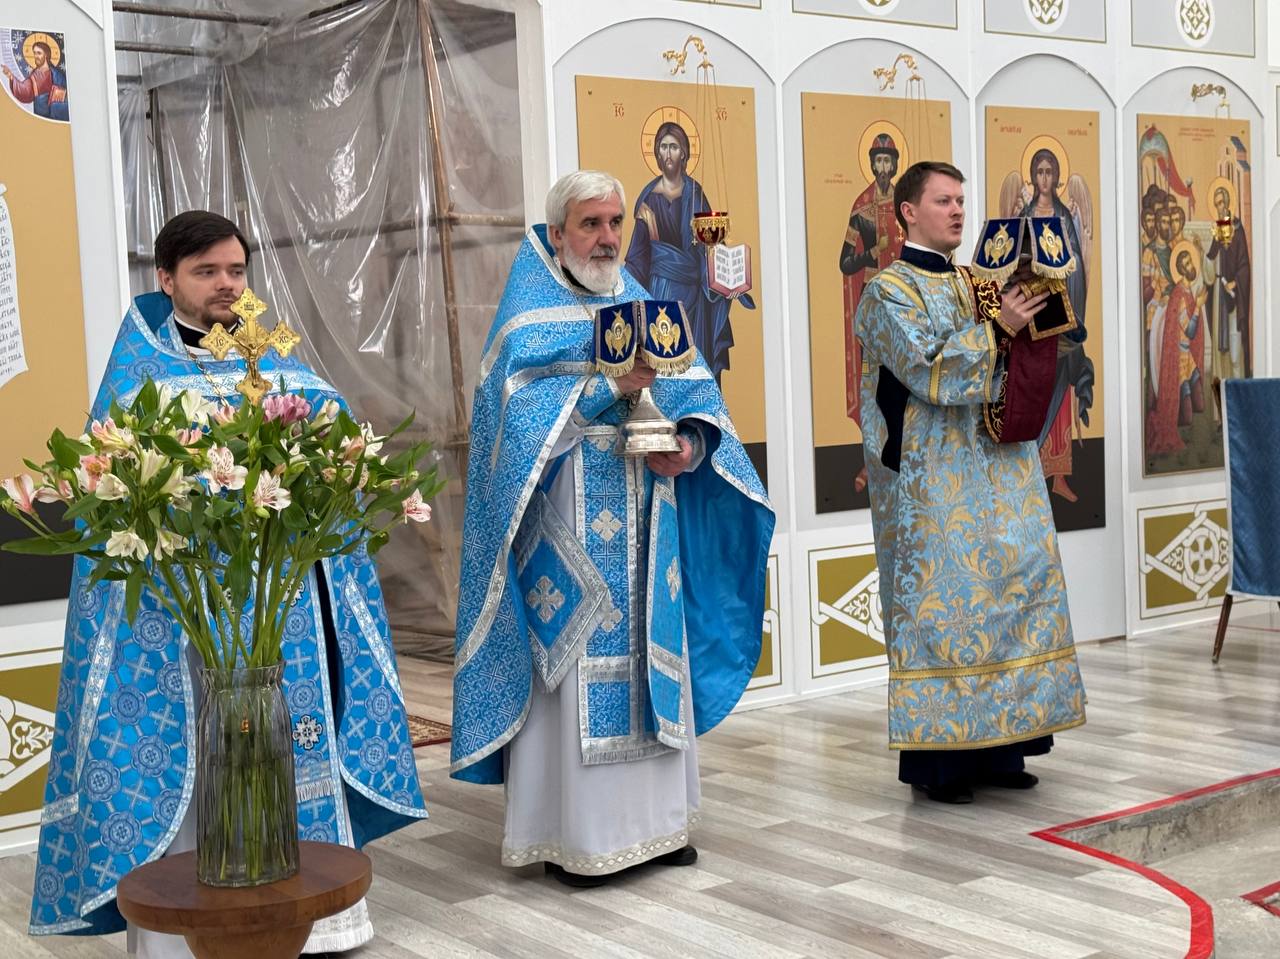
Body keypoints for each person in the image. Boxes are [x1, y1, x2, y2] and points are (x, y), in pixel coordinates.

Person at [27, 211, 427, 954]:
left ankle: (311, 925)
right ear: (167, 278)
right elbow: (116, 482)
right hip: (186, 616)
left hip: (283, 611)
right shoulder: (139, 376)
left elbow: (336, 444)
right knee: (198, 753)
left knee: (286, 740)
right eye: (206, 271)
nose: (225, 285)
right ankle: (188, 931)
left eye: (236, 271)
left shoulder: (277, 362)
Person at [453, 170, 773, 884]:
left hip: (648, 522)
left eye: (614, 222)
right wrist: (607, 388)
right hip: (564, 531)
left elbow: (697, 395)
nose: (605, 238)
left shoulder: (642, 303)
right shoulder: (528, 318)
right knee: (572, 667)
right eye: (590, 223)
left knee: (653, 658)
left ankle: (661, 828)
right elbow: (511, 428)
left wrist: (687, 447)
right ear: (558, 232)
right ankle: (574, 837)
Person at [854, 161, 1087, 804]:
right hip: (934, 480)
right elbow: (927, 370)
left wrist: (1039, 297)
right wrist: (1000, 327)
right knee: (946, 613)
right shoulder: (887, 293)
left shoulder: (978, 283)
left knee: (1014, 595)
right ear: (908, 212)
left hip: (1001, 473)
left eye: (961, 200)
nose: (958, 210)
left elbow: (1021, 353)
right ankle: (943, 767)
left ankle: (1004, 749)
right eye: (943, 201)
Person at [623, 121, 754, 385]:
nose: (668, 153)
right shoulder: (648, 198)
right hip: (660, 293)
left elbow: (711, 245)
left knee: (694, 369)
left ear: (684, 153)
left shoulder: (695, 194)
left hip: (694, 297)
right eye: (663, 147)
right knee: (663, 372)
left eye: (674, 147)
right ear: (656, 153)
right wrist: (626, 294)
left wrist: (728, 283)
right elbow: (638, 256)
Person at [1011, 149, 1093, 504]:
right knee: (1034, 392)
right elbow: (1011, 263)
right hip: (1032, 315)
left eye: (1049, 171)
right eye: (1039, 171)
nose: (1044, 178)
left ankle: (1058, 475)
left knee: (1060, 390)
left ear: (1057, 176)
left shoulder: (1064, 216)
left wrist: (1068, 301)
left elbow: (1076, 266)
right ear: (1033, 175)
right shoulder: (1025, 216)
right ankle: (1027, 473)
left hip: (1061, 313)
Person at [839, 133, 905, 494]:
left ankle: (899, 453)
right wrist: (871, 254)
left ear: (894, 164)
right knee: (871, 381)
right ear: (872, 164)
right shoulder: (861, 207)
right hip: (873, 308)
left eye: (887, 160)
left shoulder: (907, 205)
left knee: (903, 379)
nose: (883, 167)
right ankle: (871, 457)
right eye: (878, 160)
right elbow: (845, 262)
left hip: (905, 307)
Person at [1147, 247, 1207, 454]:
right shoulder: (1180, 295)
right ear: (1181, 270)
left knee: (1201, 404)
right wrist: (1198, 306)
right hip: (1178, 361)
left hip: (1188, 358)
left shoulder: (1190, 291)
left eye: (1191, 262)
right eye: (1187, 264)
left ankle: (1185, 402)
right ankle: (1178, 409)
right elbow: (1189, 330)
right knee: (1188, 417)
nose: (1191, 266)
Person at [1204, 185, 1251, 379]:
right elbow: (1210, 261)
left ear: (1228, 203)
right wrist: (1205, 256)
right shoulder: (1217, 230)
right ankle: (1221, 391)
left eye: (1221, 203)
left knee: (1235, 351)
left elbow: (1244, 265)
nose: (1219, 208)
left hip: (1233, 296)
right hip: (1219, 294)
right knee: (1220, 350)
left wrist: (1235, 282)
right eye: (1216, 205)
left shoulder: (1237, 230)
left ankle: (1238, 388)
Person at [2, 40, 68, 121]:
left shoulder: (56, 74)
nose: (36, 56)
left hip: (58, 116)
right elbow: (24, 90)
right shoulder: (34, 76)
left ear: (46, 55)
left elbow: (68, 94)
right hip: (42, 115)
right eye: (35, 53)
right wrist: (10, 76)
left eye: (39, 53)